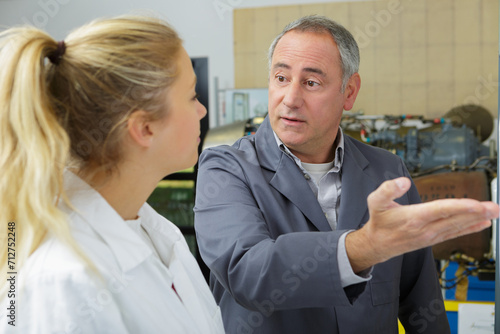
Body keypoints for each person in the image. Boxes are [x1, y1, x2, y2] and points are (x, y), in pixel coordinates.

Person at [193, 15, 499, 333]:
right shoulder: (226, 169)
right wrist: (363, 247)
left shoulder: (389, 172)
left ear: (349, 92)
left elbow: (422, 305)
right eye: (281, 78)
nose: (291, 98)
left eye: (311, 83)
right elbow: (249, 272)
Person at [0, 15, 224, 333]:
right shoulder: (64, 283)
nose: (201, 110)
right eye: (191, 96)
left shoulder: (155, 233)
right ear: (144, 129)